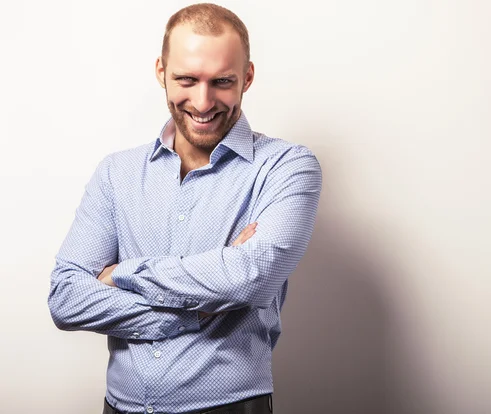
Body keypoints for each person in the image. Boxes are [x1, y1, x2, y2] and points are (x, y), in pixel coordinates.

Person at [47, 3, 322, 413]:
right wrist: (199, 309)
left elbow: (253, 278)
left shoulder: (285, 167)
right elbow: (66, 298)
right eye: (186, 79)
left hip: (231, 406)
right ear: (161, 71)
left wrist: (121, 274)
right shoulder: (116, 174)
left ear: (247, 77)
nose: (203, 101)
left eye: (222, 81)